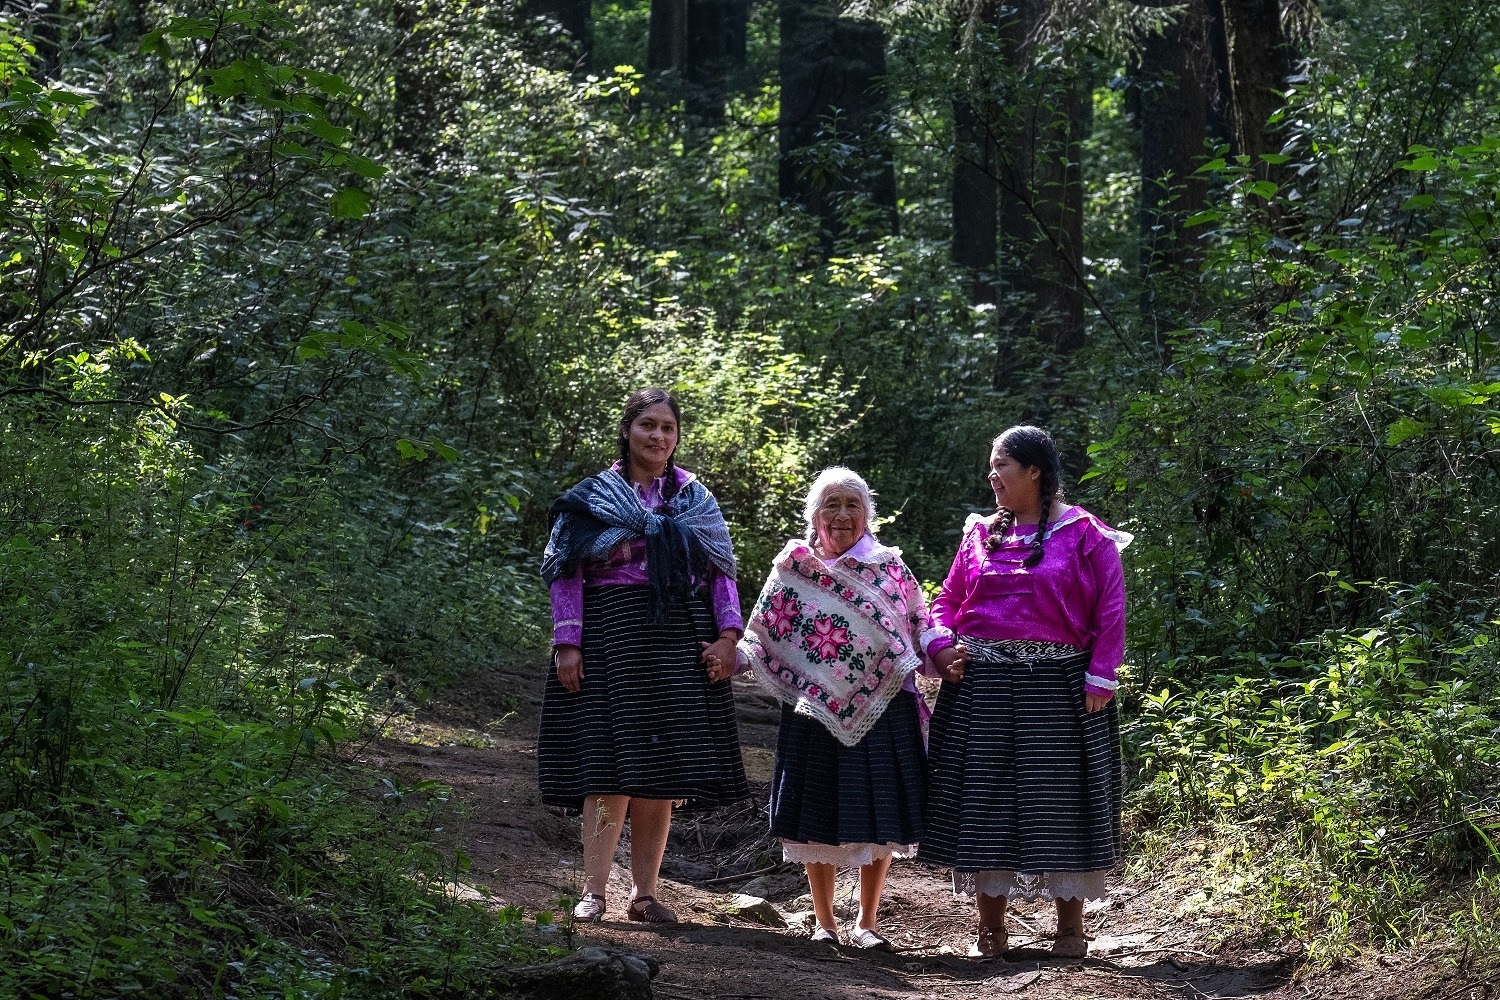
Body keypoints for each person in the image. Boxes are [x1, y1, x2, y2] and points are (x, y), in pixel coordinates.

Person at [537, 387, 748, 925]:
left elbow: (721, 572)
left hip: (677, 638)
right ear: (628, 430)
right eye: (648, 425)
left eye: (668, 428)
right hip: (609, 637)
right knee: (606, 770)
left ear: (677, 438)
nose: (658, 436)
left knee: (661, 773)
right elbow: (566, 572)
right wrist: (568, 642)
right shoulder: (590, 499)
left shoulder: (694, 502)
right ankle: (594, 892)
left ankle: (646, 894)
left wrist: (728, 638)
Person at [922, 425, 1130, 959]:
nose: (992, 476)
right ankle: (991, 931)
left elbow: (1110, 609)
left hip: (1060, 691)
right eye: (991, 467)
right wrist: (942, 646)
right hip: (981, 689)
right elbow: (947, 600)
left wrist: (1101, 675)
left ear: (1034, 470)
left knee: (1059, 803)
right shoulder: (979, 533)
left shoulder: (1086, 535)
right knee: (985, 805)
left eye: (1001, 466)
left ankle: (1069, 931)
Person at [727, 467, 946, 950]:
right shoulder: (794, 568)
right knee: (816, 813)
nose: (842, 514)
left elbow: (920, 625)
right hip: (811, 708)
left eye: (852, 504)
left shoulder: (891, 568)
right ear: (815, 515)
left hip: (885, 707)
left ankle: (867, 922)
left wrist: (943, 654)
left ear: (867, 515)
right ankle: (823, 920)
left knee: (877, 814)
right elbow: (761, 634)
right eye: (831, 504)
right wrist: (734, 658)